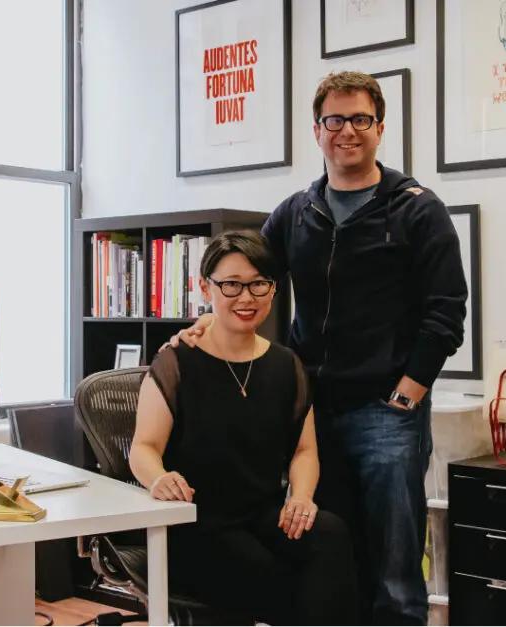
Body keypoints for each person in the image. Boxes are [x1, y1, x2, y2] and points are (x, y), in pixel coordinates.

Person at [172, 71, 467, 624]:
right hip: (311, 412)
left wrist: (410, 389)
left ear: (380, 128)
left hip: (387, 412)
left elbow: (447, 309)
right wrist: (204, 322)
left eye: (360, 119)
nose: (347, 131)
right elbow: (247, 276)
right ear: (317, 130)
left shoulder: (416, 209)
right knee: (332, 550)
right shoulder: (296, 212)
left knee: (395, 561)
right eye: (335, 120)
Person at [132, 231, 358, 625]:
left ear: (273, 289)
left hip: (262, 513)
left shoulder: (286, 366)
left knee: (329, 534)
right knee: (279, 577)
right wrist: (159, 478)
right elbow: (143, 447)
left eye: (258, 284)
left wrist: (301, 498)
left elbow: (305, 451)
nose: (246, 297)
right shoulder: (176, 361)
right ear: (206, 288)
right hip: (196, 520)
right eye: (232, 285)